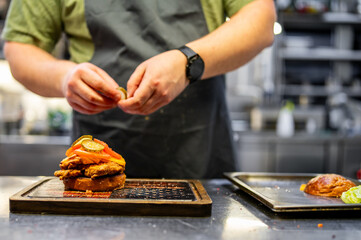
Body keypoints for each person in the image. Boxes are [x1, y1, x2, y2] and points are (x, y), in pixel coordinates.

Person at [2, 0, 276, 179]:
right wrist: (64, 78)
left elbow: (260, 19)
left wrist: (186, 62)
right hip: (95, 171)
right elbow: (20, 48)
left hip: (201, 158)